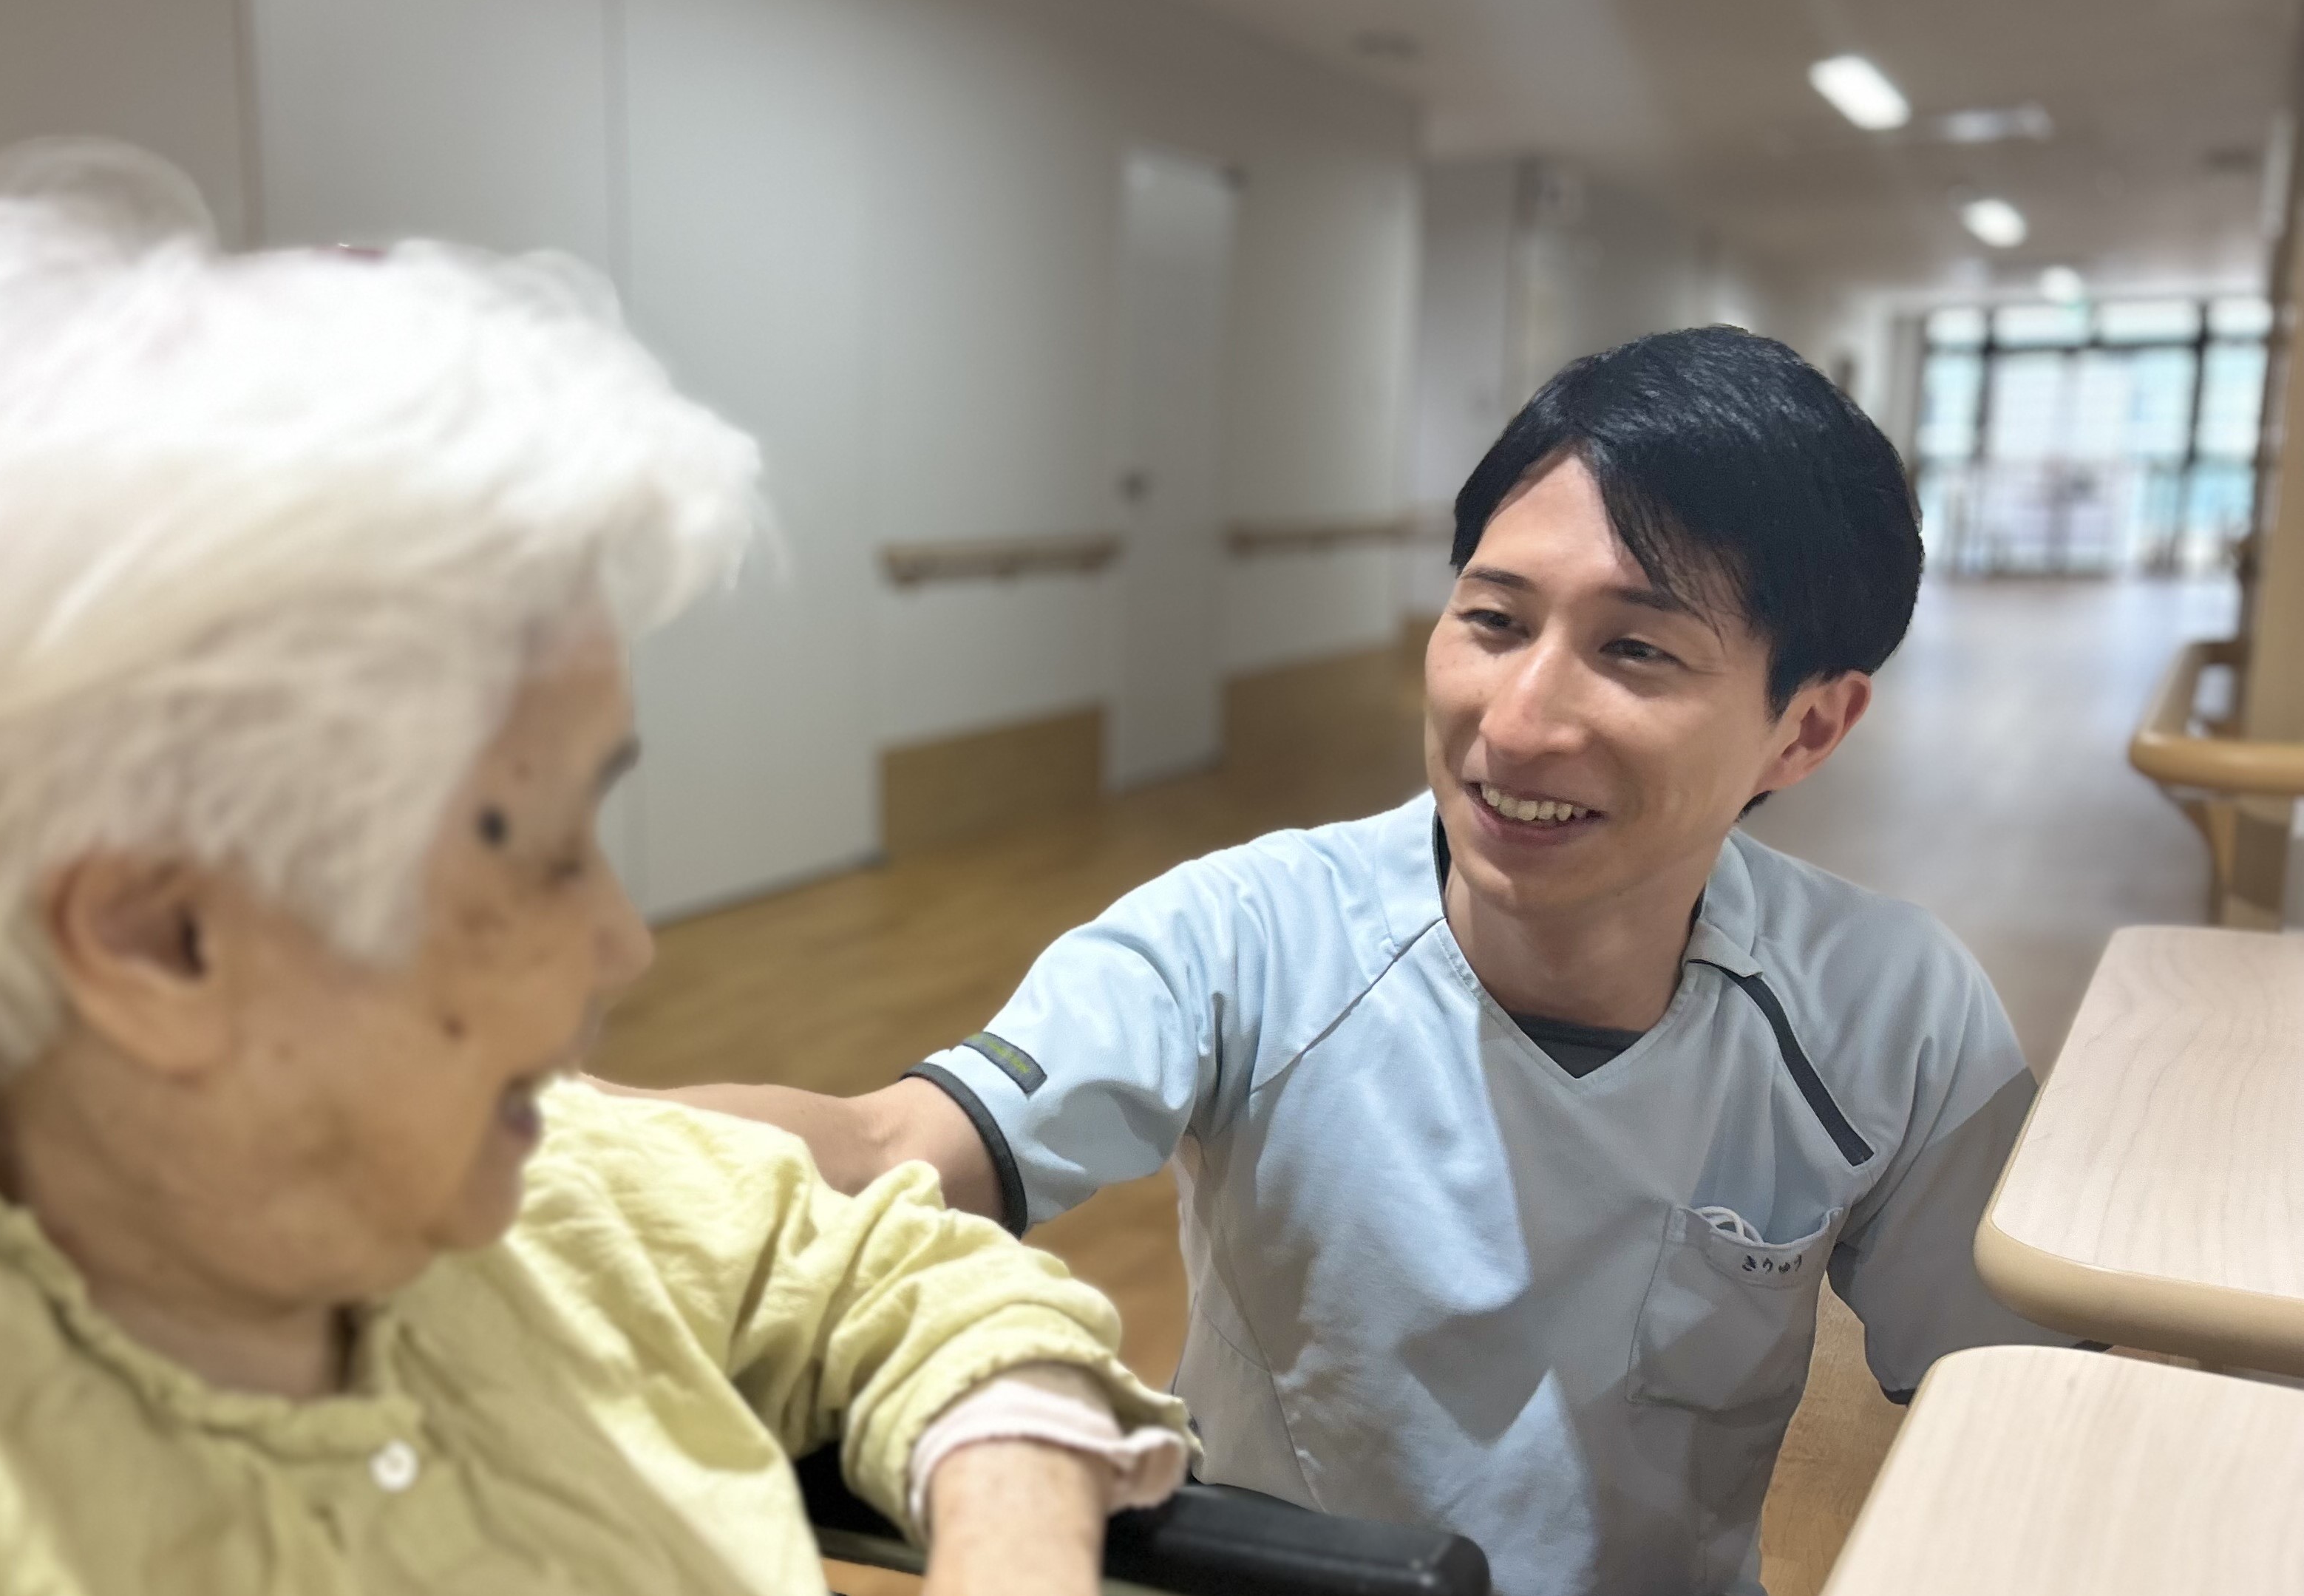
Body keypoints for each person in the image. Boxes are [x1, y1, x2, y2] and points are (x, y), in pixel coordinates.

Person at [652, 327, 2070, 1595]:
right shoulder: (1250, 934)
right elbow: (894, 1142)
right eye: (1493, 620)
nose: (1514, 723)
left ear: (1805, 729)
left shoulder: (1889, 1012)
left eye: (1635, 651)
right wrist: (552, 1152)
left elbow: (2020, 1408)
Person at [0, 140, 1189, 1596]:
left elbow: (912, 1275)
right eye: (547, 848)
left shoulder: (539, 1182)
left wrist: (1013, 1552)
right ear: (162, 934)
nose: (624, 943)